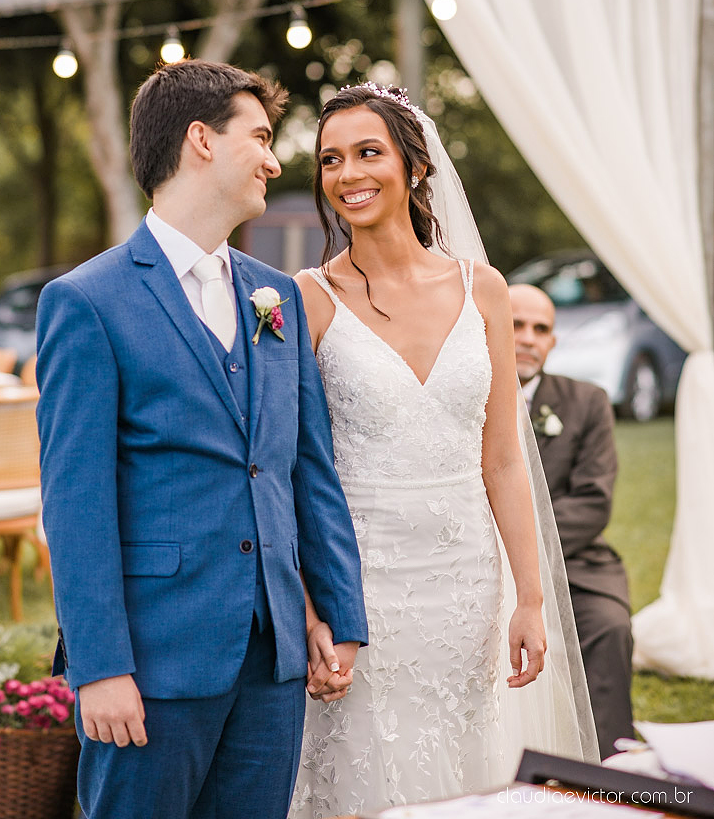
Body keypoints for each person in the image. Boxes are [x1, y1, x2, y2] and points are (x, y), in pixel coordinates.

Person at [35, 60, 368, 819]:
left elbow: (304, 466)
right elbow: (75, 503)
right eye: (258, 136)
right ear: (200, 141)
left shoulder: (277, 294)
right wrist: (100, 668)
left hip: (274, 659)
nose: (275, 159)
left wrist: (336, 615)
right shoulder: (87, 302)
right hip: (153, 663)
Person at [291, 83, 598, 819]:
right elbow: (291, 469)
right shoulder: (307, 296)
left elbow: (501, 460)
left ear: (415, 166)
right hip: (359, 581)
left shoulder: (483, 289)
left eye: (369, 152)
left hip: (465, 584)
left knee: (462, 765)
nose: (348, 174)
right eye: (331, 159)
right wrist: (310, 608)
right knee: (364, 771)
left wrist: (528, 597)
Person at [509, 282, 635, 759]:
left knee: (609, 624)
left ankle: (611, 764)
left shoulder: (587, 402)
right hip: (481, 559)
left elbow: (593, 502)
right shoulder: (465, 398)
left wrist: (521, 547)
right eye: (516, 325)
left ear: (553, 342)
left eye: (541, 329)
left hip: (573, 560)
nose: (527, 338)